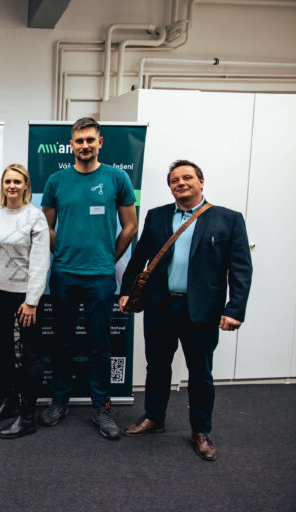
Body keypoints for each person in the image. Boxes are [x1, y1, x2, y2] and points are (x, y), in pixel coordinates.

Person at [119, 160, 252, 461]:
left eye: (187, 177)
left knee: (200, 373)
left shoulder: (228, 219)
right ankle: (154, 418)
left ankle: (201, 430)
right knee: (157, 366)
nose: (181, 183)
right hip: (160, 306)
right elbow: (139, 258)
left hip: (201, 311)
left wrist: (235, 309)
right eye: (175, 180)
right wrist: (127, 290)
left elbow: (241, 269)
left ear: (200, 182)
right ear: (170, 187)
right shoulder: (157, 216)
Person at [40, 116, 138, 440]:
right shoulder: (56, 181)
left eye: (90, 140)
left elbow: (130, 227)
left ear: (100, 142)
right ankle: (59, 400)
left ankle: (102, 407)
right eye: (79, 140)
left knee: (100, 344)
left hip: (100, 277)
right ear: (71, 144)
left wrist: (109, 258)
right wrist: (63, 252)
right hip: (64, 275)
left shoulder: (117, 178)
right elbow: (46, 227)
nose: (84, 145)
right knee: (62, 341)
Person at [0, 164, 50, 439]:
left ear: (26, 185)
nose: (11, 185)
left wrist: (32, 301)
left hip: (26, 296)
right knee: (5, 350)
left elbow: (41, 261)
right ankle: (8, 402)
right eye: (7, 181)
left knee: (31, 353)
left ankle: (27, 416)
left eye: (17, 181)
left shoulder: (35, 216)